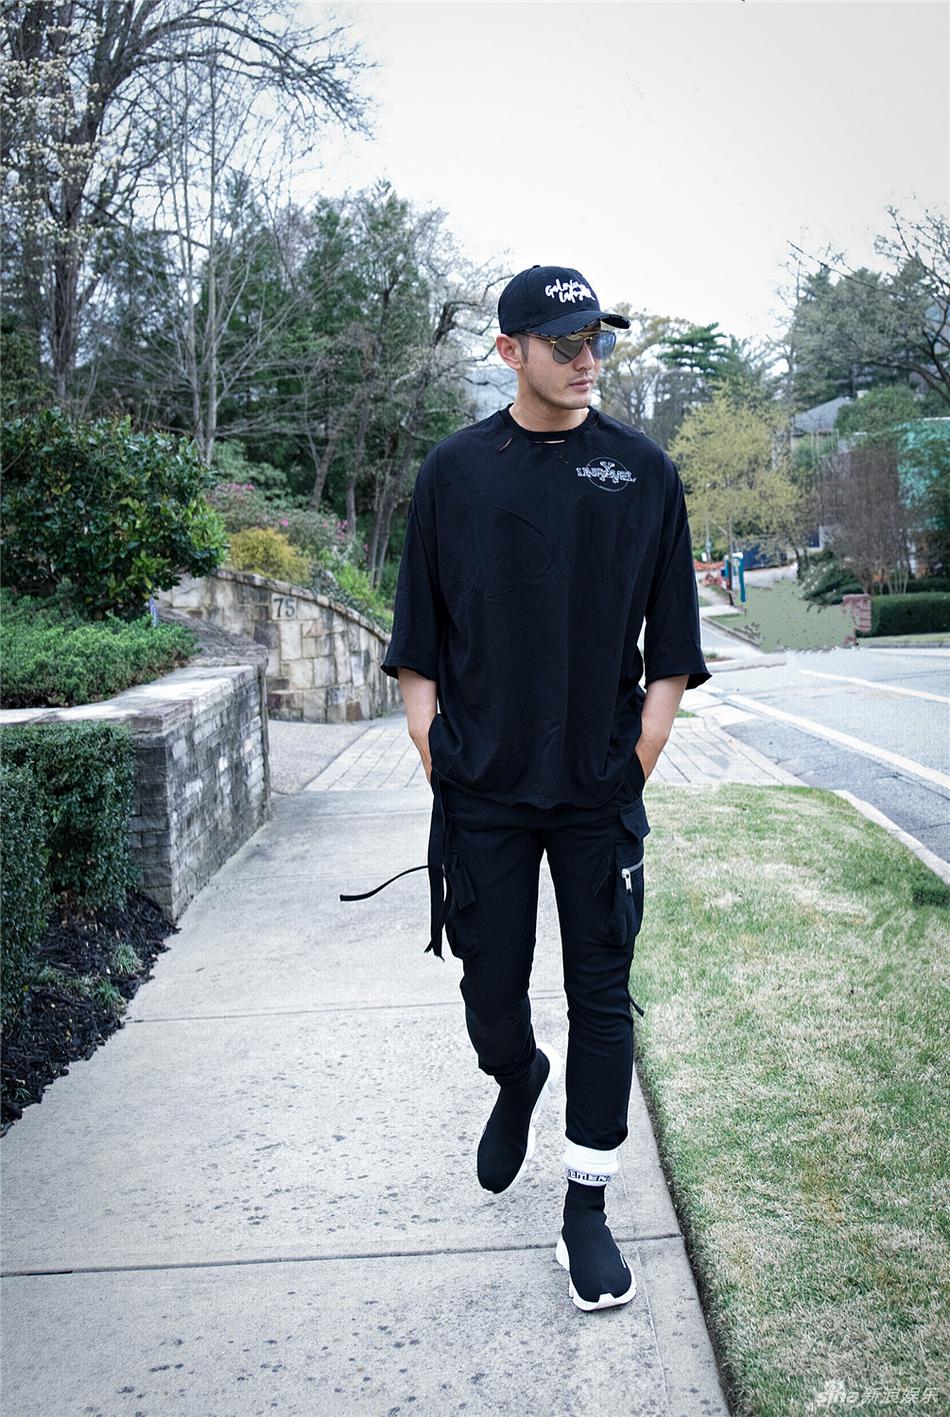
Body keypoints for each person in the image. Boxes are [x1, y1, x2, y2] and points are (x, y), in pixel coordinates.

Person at [354, 264, 710, 1312]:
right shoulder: (454, 472)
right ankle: (515, 1075)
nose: (587, 358)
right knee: (490, 993)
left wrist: (638, 755)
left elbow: (672, 647)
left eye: (598, 339)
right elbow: (417, 634)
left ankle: (585, 1209)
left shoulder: (642, 471)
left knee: (602, 995)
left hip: (597, 789)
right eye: (566, 342)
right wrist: (432, 744)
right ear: (509, 351)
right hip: (485, 791)